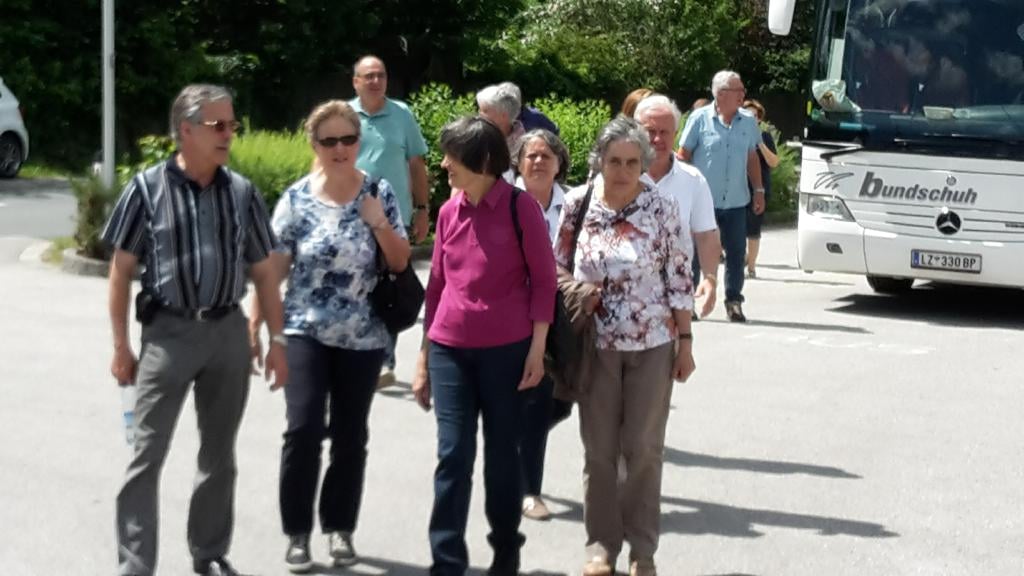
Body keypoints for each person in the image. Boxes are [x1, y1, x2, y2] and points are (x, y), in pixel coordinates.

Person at [105, 84, 288, 576]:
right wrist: (121, 346)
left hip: (227, 332)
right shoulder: (146, 189)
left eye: (232, 125)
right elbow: (121, 271)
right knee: (146, 454)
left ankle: (208, 553)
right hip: (168, 334)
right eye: (218, 125)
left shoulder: (242, 193)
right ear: (185, 130)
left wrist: (277, 340)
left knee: (219, 454)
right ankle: (135, 565)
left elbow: (265, 271)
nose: (229, 134)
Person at [248, 101, 411, 573]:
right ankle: (297, 533)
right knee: (302, 429)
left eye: (348, 139)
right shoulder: (297, 199)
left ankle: (340, 527)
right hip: (305, 330)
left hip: (363, 335)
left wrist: (378, 221)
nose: (340, 149)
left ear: (359, 142)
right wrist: (255, 325)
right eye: (330, 141)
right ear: (314, 145)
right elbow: (274, 269)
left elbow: (400, 261)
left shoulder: (378, 192)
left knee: (349, 435)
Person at [412, 116, 557, 576]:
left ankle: (505, 550)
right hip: (449, 349)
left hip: (508, 353)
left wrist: (537, 349)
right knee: (453, 455)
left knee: (501, 458)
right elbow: (436, 286)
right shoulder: (448, 212)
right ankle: (447, 560)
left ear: (483, 160)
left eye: (452, 156)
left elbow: (545, 281)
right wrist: (423, 358)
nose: (444, 164)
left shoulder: (520, 208)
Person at [557, 116, 695, 576]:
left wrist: (686, 342)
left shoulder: (662, 207)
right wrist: (579, 295)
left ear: (644, 163)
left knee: (643, 448)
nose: (622, 171)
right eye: (614, 161)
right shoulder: (577, 204)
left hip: (653, 342)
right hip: (593, 344)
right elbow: (556, 267)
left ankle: (643, 549)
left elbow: (679, 278)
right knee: (598, 450)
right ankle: (601, 546)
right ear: (599, 160)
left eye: (632, 162)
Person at [349, 55, 430, 389]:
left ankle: (385, 358)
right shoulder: (344, 115)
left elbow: (416, 164)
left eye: (380, 75)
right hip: (351, 217)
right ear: (355, 82)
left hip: (394, 217)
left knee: (391, 285)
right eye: (368, 76)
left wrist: (422, 209)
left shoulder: (402, 114)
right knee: (356, 284)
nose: (375, 81)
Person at [510, 129, 574, 522]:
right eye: (530, 155)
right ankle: (528, 490)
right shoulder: (504, 201)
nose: (538, 161)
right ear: (518, 163)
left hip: (563, 315)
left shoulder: (575, 204)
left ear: (559, 163)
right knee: (535, 402)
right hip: (516, 314)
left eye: (546, 155)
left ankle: (511, 442)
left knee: (562, 403)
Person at [677, 70, 765, 322]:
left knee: (736, 253)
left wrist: (758, 190)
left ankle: (734, 302)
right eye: (739, 90)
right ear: (722, 94)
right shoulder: (699, 119)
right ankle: (689, 303)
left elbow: (752, 156)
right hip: (702, 202)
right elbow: (683, 155)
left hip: (736, 201)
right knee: (695, 253)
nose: (743, 94)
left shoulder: (748, 121)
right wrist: (685, 191)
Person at [634, 94, 721, 319]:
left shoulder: (693, 180)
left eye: (664, 132)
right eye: (650, 131)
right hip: (623, 299)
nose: (657, 139)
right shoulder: (616, 178)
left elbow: (706, 234)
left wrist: (710, 278)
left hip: (674, 301)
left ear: (675, 134)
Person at [741, 99, 780, 279]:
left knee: (753, 230)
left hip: (759, 190)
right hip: (735, 189)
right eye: (746, 115)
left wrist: (760, 143)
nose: (751, 119)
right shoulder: (733, 135)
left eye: (754, 116)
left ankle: (751, 267)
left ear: (759, 119)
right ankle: (742, 257)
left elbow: (774, 162)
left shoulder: (765, 137)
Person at [477, 83, 525, 183]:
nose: (479, 115)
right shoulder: (476, 136)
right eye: (479, 110)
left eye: (484, 111)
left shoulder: (525, 145)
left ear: (503, 116)